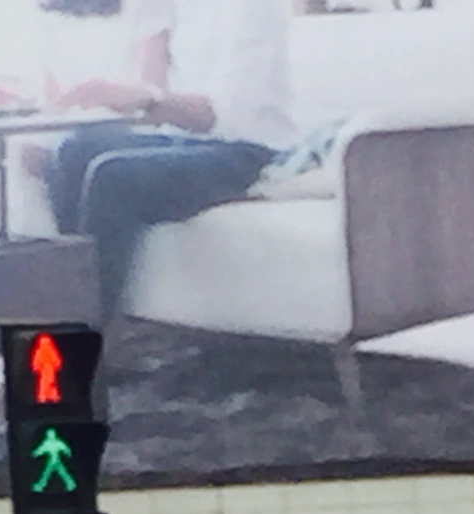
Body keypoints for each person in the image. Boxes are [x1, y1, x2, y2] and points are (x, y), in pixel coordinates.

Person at [39, 0, 298, 323]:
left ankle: (93, 334)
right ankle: (69, 316)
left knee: (112, 175)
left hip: (249, 151)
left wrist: (146, 98)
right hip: (184, 141)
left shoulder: (254, 8)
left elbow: (225, 117)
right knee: (74, 149)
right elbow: (150, 92)